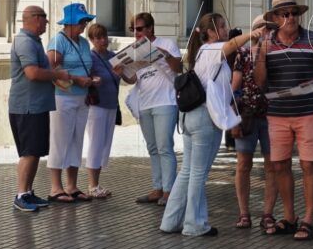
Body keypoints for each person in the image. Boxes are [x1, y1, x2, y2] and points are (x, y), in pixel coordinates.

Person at [160, 13, 264, 237]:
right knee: (198, 173)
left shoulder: (202, 52)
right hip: (205, 118)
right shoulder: (211, 49)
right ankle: (194, 224)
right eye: (222, 26)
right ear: (210, 32)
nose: (226, 29)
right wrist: (251, 34)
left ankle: (170, 222)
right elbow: (232, 45)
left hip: (192, 116)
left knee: (188, 171)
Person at [254, 0, 313, 242]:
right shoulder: (267, 43)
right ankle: (290, 217)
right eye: (285, 14)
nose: (291, 18)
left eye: (294, 13)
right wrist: (261, 54)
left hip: (308, 111)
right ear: (275, 18)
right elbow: (260, 82)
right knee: (279, 165)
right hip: (278, 113)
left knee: (308, 165)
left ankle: (309, 220)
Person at [9, 6, 71, 212]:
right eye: (44, 18)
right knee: (29, 152)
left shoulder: (35, 41)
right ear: (35, 18)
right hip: (27, 107)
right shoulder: (25, 41)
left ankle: (28, 192)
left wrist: (54, 75)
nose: (46, 22)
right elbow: (33, 73)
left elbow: (41, 71)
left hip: (37, 106)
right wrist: (57, 75)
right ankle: (20, 195)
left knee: (35, 152)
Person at [47, 3, 100, 203]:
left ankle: (71, 185)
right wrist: (76, 80)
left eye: (85, 21)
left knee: (76, 141)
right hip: (63, 97)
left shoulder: (84, 43)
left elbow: (87, 67)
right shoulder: (58, 41)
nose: (84, 25)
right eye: (80, 21)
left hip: (82, 98)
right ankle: (55, 187)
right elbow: (51, 68)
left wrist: (91, 80)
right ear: (68, 23)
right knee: (60, 140)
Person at [129, 12, 182, 206]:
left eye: (139, 28)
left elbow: (178, 68)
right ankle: (157, 188)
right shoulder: (134, 50)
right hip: (145, 103)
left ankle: (169, 191)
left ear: (150, 28)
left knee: (164, 147)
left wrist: (163, 53)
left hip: (165, 102)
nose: (136, 33)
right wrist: (120, 72)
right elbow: (132, 78)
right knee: (152, 148)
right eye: (133, 29)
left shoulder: (167, 43)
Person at [231, 14, 276, 230]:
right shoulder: (243, 53)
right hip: (247, 115)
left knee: (272, 166)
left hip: (272, 116)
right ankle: (244, 213)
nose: (268, 33)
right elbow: (234, 88)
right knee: (243, 164)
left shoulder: (277, 54)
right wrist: (233, 120)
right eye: (264, 28)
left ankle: (268, 213)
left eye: (271, 29)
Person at [85, 22, 133, 198]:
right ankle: (92, 185)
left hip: (112, 105)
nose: (103, 40)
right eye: (98, 38)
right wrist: (94, 80)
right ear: (92, 40)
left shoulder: (114, 57)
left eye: (104, 36)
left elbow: (130, 79)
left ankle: (96, 184)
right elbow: (86, 79)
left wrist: (129, 68)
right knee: (96, 144)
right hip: (96, 106)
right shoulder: (90, 58)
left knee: (105, 144)